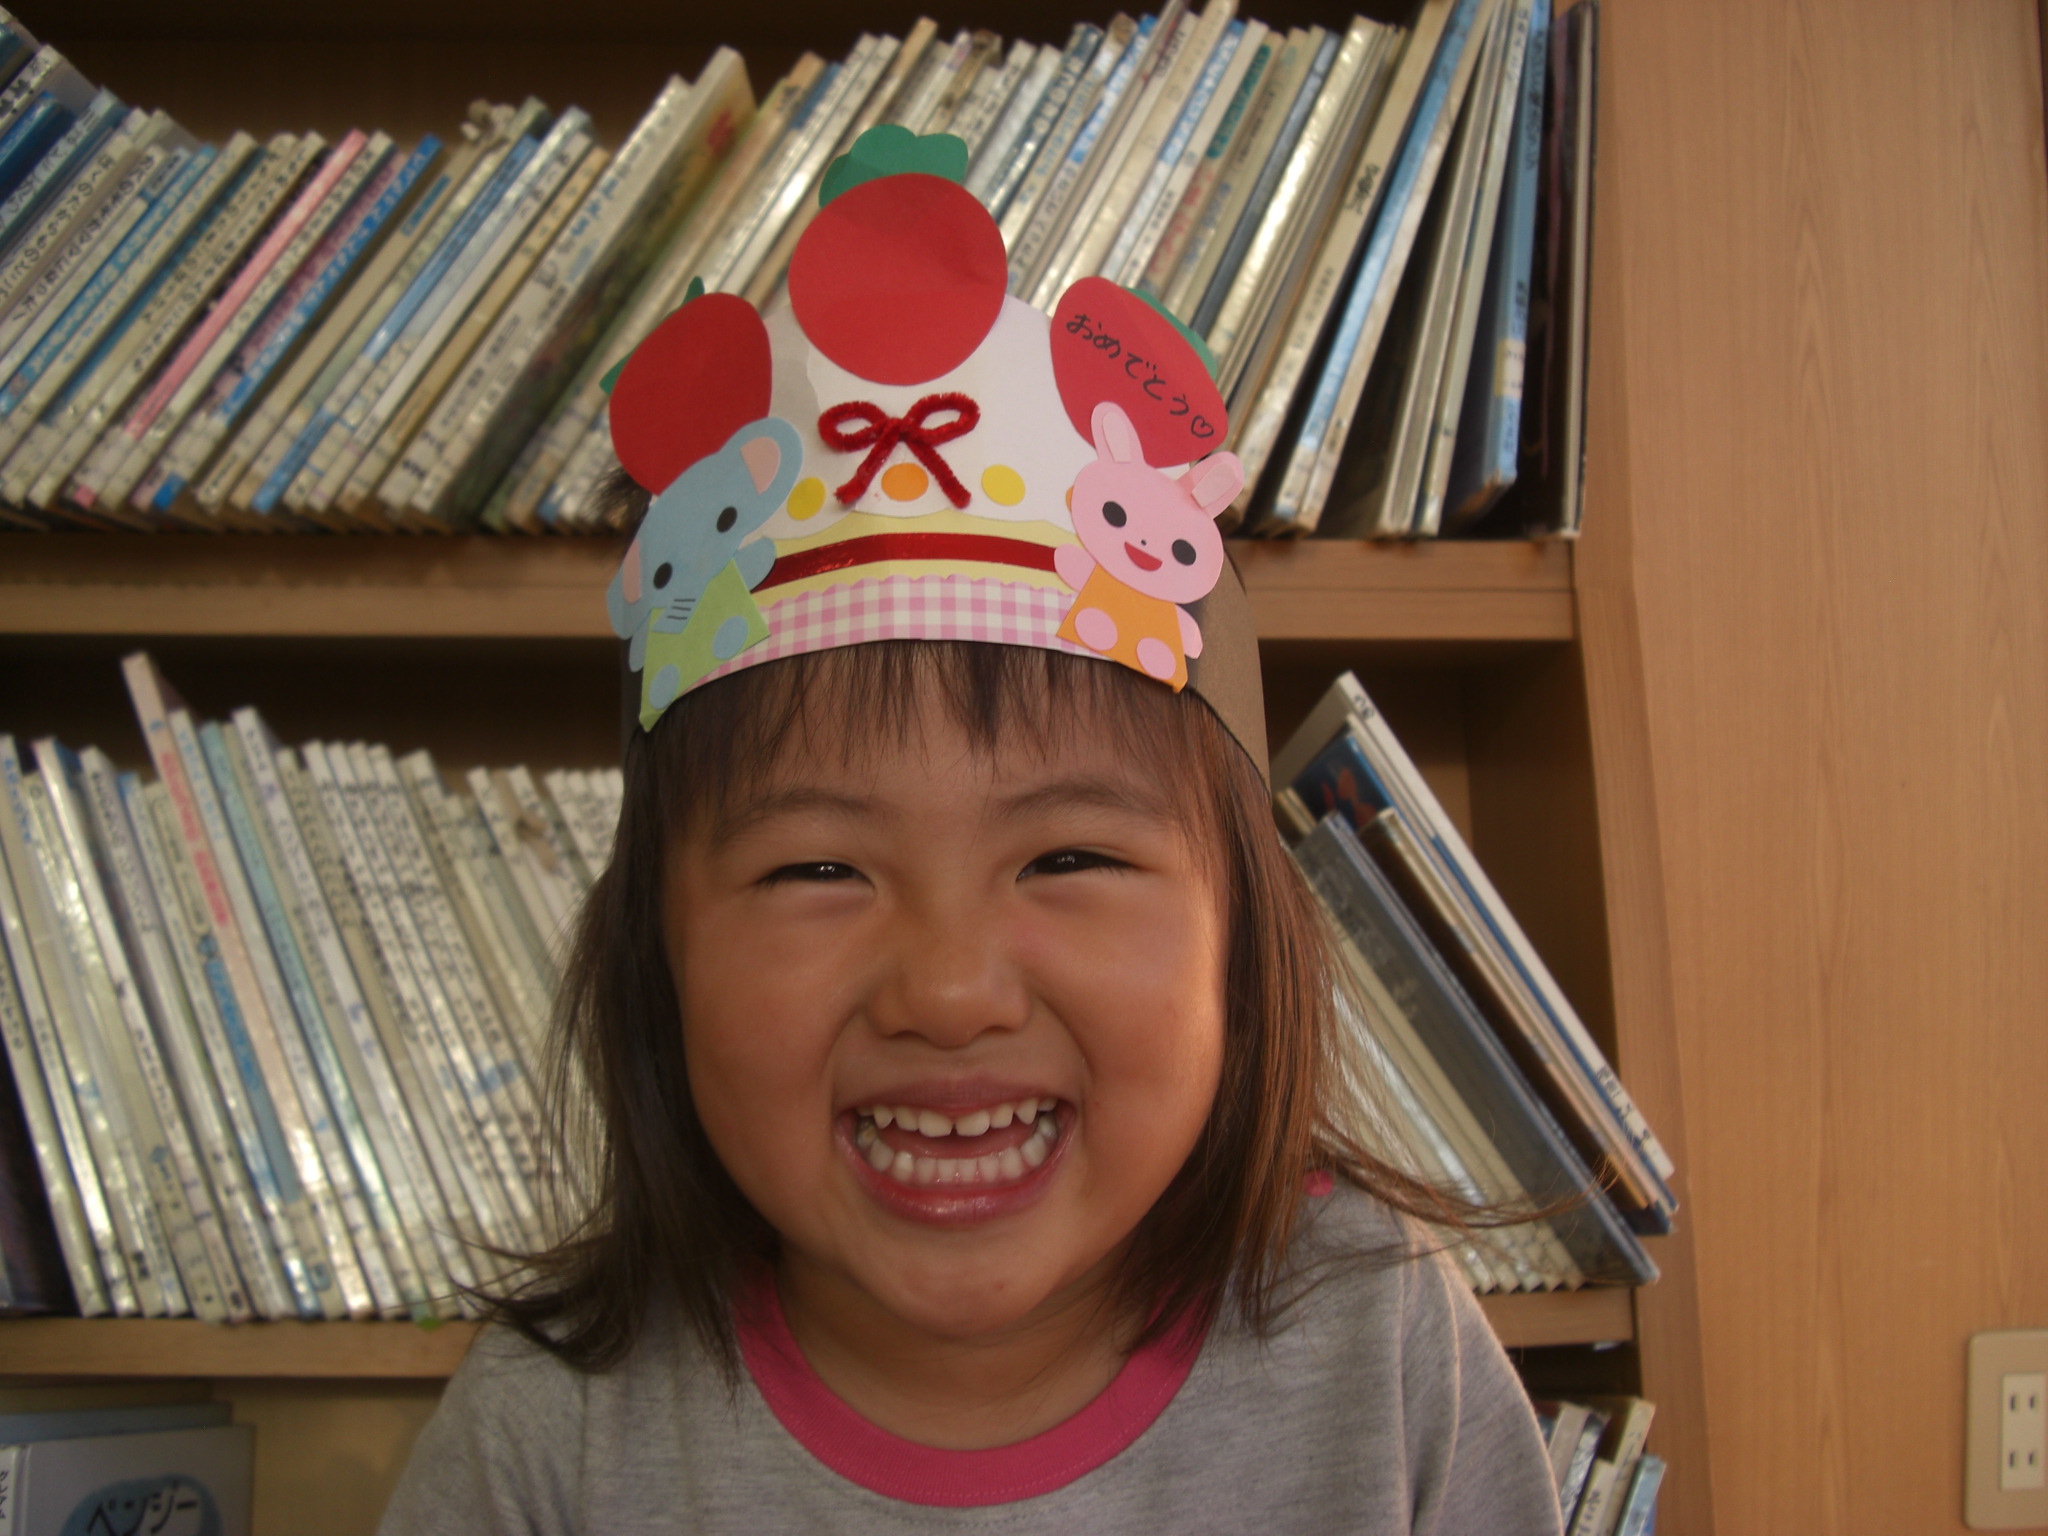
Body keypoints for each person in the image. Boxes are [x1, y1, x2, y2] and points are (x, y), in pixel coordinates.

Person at [378, 126, 1563, 1536]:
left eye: (1069, 859)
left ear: (1245, 937)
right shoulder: (551, 1430)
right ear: (657, 957)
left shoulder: (1381, 1347)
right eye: (818, 868)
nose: (948, 993)